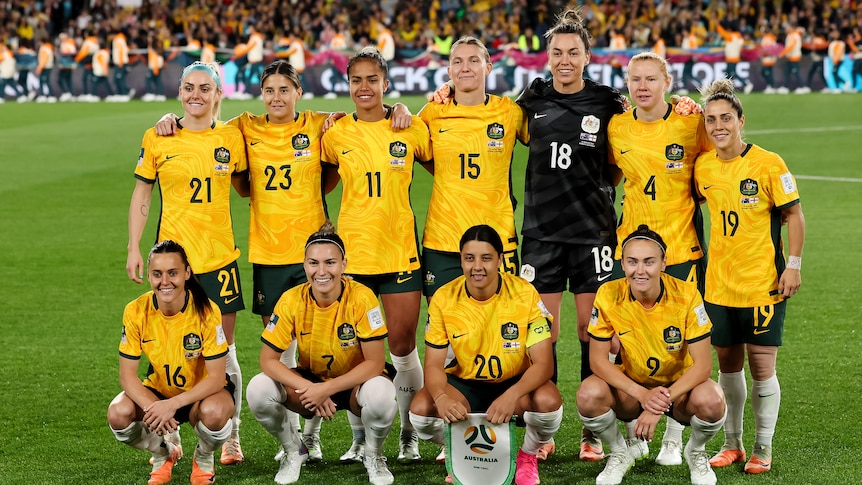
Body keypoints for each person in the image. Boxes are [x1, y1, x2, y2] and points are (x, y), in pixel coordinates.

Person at [514, 8, 626, 461]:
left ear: (586, 55)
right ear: (547, 55)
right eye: (557, 52)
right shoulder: (530, 100)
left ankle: (591, 429)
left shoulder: (607, 102)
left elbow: (620, 163)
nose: (564, 59)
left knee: (589, 329)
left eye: (572, 52)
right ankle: (544, 430)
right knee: (544, 329)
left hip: (594, 232)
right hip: (541, 234)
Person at [126, 61, 249, 467]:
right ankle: (171, 429)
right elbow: (142, 196)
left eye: (204, 88)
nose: (195, 94)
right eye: (188, 87)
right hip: (172, 266)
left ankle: (230, 437)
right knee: (169, 346)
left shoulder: (232, 137)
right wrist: (133, 247)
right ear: (180, 93)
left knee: (223, 351)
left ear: (218, 94)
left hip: (218, 261)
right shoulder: (159, 136)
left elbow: (250, 186)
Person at [321, 46, 432, 463]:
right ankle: (360, 438)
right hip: (354, 260)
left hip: (400, 253)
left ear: (386, 83)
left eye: (372, 79)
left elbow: (443, 169)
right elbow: (321, 182)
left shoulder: (409, 127)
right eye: (356, 80)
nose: (364, 87)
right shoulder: (335, 134)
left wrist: (405, 109)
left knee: (402, 347)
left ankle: (407, 435)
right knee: (356, 352)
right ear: (347, 85)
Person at [607, 51, 713, 466]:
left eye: (651, 79)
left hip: (680, 248)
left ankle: (671, 433)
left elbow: (723, 143)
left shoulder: (691, 123)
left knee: (682, 344)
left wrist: (701, 108)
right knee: (626, 339)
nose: (643, 86)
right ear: (627, 84)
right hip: (630, 252)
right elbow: (611, 174)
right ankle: (633, 429)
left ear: (666, 83)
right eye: (635, 79)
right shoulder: (617, 126)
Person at [695, 78, 805, 474]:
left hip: (762, 284)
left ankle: (763, 447)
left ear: (742, 120)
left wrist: (793, 266)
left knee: (762, 368)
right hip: (718, 286)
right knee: (727, 369)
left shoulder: (769, 163)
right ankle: (733, 445)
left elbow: (793, 214)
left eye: (726, 118)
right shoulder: (703, 166)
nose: (718, 125)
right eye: (711, 119)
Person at [246, 222, 398, 485]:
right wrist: (309, 387)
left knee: (382, 396)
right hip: (311, 380)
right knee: (258, 389)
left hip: (356, 384)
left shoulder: (363, 297)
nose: (321, 271)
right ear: (304, 265)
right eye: (313, 263)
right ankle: (295, 450)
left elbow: (374, 362)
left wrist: (326, 390)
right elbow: (267, 360)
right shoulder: (291, 299)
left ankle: (373, 455)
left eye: (330, 262)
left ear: (344, 265)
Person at [409, 225, 562, 485]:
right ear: (461, 259)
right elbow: (433, 365)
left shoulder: (524, 293)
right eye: (469, 258)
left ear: (501, 260)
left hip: (515, 385)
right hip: (465, 386)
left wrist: (511, 395)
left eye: (486, 258)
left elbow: (544, 364)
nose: (477, 266)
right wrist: (442, 397)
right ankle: (461, 448)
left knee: (548, 404)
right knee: (421, 413)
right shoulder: (444, 298)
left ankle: (527, 454)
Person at [577, 225, 726, 485]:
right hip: (633, 388)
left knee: (713, 399)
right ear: (622, 263)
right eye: (632, 262)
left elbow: (703, 367)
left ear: (664, 263)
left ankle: (696, 451)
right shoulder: (608, 294)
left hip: (679, 390)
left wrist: (658, 405)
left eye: (649, 262)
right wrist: (643, 395)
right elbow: (597, 361)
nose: (640, 270)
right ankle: (619, 452)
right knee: (588, 394)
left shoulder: (687, 294)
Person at [108, 240, 235, 485]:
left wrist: (173, 404)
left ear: (187, 273)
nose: (165, 281)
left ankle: (204, 456)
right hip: (159, 391)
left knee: (216, 413)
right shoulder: (135, 311)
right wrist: (153, 407)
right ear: (148, 276)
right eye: (157, 274)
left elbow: (217, 378)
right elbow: (127, 376)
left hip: (201, 394)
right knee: (118, 414)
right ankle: (163, 452)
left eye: (173, 273)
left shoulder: (207, 311)